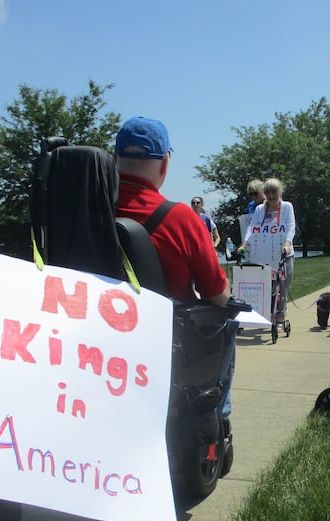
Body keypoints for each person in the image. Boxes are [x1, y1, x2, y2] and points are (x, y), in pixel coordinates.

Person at [113, 116, 234, 423]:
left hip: (100, 345)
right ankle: (216, 425)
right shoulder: (181, 218)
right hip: (167, 347)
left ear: (114, 159)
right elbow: (217, 295)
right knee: (227, 330)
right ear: (165, 163)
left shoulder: (87, 214)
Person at [237, 177, 296, 323]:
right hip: (264, 253)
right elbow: (252, 228)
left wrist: (288, 244)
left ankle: (281, 312)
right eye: (267, 191)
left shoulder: (287, 207)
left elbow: (290, 227)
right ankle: (268, 312)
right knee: (269, 286)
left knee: (283, 284)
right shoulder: (259, 209)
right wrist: (245, 244)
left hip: (283, 253)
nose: (271, 195)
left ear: (280, 191)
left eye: (274, 191)